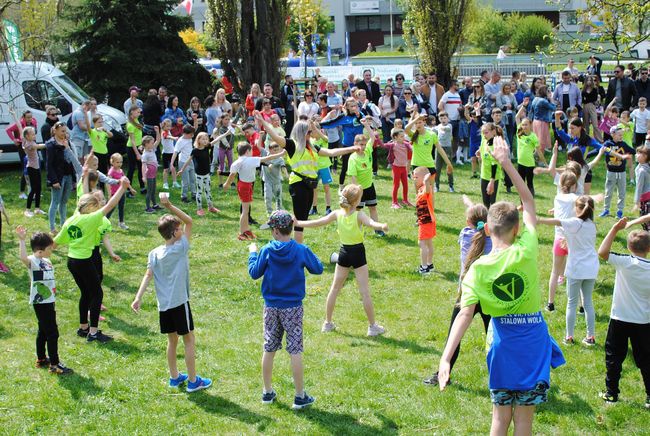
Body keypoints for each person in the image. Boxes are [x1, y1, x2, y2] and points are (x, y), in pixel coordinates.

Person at [438, 137, 565, 436]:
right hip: (533, 342)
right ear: (517, 228)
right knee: (524, 421)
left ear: (488, 229)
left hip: (502, 345)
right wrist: (506, 162)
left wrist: (446, 357)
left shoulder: (477, 269)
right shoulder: (527, 248)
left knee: (499, 418)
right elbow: (530, 201)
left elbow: (464, 316)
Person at [131, 195, 212, 393]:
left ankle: (174, 377)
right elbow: (190, 220)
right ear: (175, 232)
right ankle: (193, 381)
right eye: (179, 229)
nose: (183, 230)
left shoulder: (154, 253)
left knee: (172, 340)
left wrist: (138, 297)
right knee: (189, 340)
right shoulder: (180, 248)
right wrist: (169, 205)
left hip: (164, 305)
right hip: (179, 302)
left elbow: (148, 275)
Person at [247, 210, 324, 408]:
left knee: (269, 347)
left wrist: (252, 253)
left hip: (271, 307)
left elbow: (254, 273)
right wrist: (309, 252)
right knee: (295, 350)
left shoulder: (266, 250)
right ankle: (299, 396)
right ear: (290, 228)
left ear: (274, 231)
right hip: (293, 308)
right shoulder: (300, 250)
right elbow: (318, 268)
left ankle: (267, 392)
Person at [295, 184, 387, 337]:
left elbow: (317, 222)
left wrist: (299, 223)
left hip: (344, 252)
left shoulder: (337, 214)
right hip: (358, 254)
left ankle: (327, 323)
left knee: (335, 288)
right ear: (357, 202)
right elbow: (372, 223)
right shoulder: (359, 214)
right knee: (364, 292)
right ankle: (372, 327)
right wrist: (381, 226)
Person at [424, 196, 492, 386]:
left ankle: (442, 374)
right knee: (494, 338)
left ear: (467, 222)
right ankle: (504, 377)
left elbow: (476, 225)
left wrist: (470, 207)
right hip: (489, 296)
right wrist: (473, 207)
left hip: (466, 295)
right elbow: (482, 225)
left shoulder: (465, 235)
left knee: (454, 337)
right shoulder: (494, 240)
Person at [54, 176, 130, 343]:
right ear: (89, 207)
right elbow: (111, 205)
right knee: (97, 294)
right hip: (84, 262)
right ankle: (94, 333)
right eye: (96, 206)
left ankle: (83, 328)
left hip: (71, 261)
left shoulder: (71, 220)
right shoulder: (90, 219)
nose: (98, 209)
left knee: (86, 294)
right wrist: (122, 188)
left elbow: (55, 243)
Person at [597, 216, 650, 408]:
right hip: (644, 321)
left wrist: (614, 229)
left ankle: (611, 393)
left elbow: (602, 252)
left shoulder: (625, 262)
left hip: (619, 318)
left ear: (629, 247)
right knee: (646, 359)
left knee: (614, 356)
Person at [538, 195, 601, 345]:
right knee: (588, 303)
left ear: (578, 209)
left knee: (572, 303)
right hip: (591, 267)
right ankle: (590, 337)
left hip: (576, 269)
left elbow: (556, 221)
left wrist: (538, 219)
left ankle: (569, 337)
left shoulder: (574, 223)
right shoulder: (592, 225)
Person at [16, 226, 73, 375]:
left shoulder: (47, 260)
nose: (52, 249)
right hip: (40, 302)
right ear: (40, 250)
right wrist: (22, 240)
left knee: (43, 330)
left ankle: (41, 358)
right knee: (53, 333)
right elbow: (22, 258)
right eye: (50, 248)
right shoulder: (33, 261)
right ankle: (55, 364)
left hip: (49, 301)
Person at [223, 142, 285, 240]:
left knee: (245, 210)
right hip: (246, 186)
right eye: (251, 150)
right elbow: (267, 158)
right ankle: (242, 233)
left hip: (242, 185)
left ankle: (246, 230)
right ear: (248, 151)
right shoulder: (250, 160)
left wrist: (227, 184)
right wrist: (281, 154)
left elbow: (232, 175)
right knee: (245, 211)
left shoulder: (237, 161)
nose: (252, 152)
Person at [178, 132, 227, 216]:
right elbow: (188, 160)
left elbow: (217, 139)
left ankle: (210, 207)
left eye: (206, 139)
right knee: (199, 192)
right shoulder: (195, 151)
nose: (205, 141)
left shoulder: (207, 147)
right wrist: (182, 169)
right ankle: (199, 208)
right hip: (199, 175)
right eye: (203, 139)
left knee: (208, 190)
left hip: (207, 174)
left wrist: (227, 133)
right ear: (198, 140)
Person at [46, 122, 76, 234]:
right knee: (55, 201)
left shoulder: (66, 142)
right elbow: (49, 165)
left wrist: (73, 178)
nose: (65, 133)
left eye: (66, 131)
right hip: (58, 177)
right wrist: (54, 180)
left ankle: (63, 224)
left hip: (68, 175)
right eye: (62, 131)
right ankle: (52, 227)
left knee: (64, 201)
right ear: (56, 131)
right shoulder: (51, 144)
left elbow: (71, 160)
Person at [600, 125, 636, 218]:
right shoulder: (607, 144)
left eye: (622, 135)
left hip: (622, 173)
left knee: (621, 192)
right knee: (608, 192)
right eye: (619, 135)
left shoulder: (623, 144)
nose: (621, 136)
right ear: (612, 134)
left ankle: (619, 211)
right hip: (611, 172)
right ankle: (606, 210)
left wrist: (641, 152)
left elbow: (633, 151)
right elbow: (599, 150)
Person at [6, 109, 38, 199]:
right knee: (26, 170)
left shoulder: (33, 121)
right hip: (23, 147)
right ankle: (22, 192)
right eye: (28, 117)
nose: (30, 119)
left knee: (34, 170)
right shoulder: (20, 125)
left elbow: (35, 131)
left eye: (31, 117)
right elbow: (8, 129)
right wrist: (14, 140)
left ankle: (33, 191)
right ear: (24, 117)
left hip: (32, 146)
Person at [412, 167, 437, 274]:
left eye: (416, 177)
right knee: (428, 243)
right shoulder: (421, 188)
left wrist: (427, 181)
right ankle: (430, 264)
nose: (414, 179)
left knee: (422, 243)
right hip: (427, 220)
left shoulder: (427, 188)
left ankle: (424, 267)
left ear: (424, 177)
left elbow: (427, 191)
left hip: (426, 221)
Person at [106, 153, 136, 230]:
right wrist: (109, 195)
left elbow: (125, 180)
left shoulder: (121, 171)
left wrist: (131, 189)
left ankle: (121, 223)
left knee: (121, 208)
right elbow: (108, 183)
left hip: (121, 193)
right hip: (114, 194)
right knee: (111, 208)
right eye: (117, 162)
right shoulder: (111, 172)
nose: (120, 164)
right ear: (112, 162)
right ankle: (105, 223)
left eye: (121, 162)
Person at [478, 123, 504, 208]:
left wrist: (492, 182)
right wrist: (479, 151)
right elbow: (482, 145)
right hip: (484, 175)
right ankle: (486, 220)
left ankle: (493, 220)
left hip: (494, 177)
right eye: (483, 133)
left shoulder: (495, 146)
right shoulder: (484, 139)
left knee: (492, 204)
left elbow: (494, 165)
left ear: (493, 132)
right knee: (485, 203)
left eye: (486, 132)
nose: (484, 135)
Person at [385, 128, 413, 208]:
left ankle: (405, 200)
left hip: (403, 167)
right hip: (396, 167)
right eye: (401, 136)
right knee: (396, 185)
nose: (403, 138)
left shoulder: (405, 144)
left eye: (403, 136)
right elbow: (383, 145)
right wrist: (376, 139)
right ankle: (394, 202)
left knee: (405, 185)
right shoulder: (393, 145)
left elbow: (411, 147)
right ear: (395, 137)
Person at [516, 118, 544, 196]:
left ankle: (531, 199)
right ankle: (522, 202)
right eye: (523, 125)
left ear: (530, 125)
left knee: (529, 183)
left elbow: (539, 151)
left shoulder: (533, 137)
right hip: (520, 163)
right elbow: (517, 117)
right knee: (521, 183)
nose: (524, 126)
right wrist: (524, 106)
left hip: (530, 165)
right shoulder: (519, 133)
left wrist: (545, 163)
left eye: (526, 124)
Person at [170, 124, 197, 203]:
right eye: (191, 134)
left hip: (190, 161)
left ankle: (194, 194)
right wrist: (171, 164)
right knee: (186, 181)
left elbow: (195, 127)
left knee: (193, 179)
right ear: (185, 133)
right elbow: (175, 152)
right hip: (183, 162)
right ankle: (184, 196)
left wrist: (195, 120)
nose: (192, 136)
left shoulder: (190, 137)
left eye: (193, 134)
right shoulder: (180, 141)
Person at [140, 129, 162, 213]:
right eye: (152, 143)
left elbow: (158, 140)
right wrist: (143, 176)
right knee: (149, 191)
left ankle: (155, 205)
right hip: (149, 175)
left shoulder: (152, 149)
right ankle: (147, 207)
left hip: (153, 174)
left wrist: (157, 132)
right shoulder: (145, 155)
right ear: (146, 144)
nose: (153, 144)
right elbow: (143, 166)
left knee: (153, 190)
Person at [125, 106, 145, 195]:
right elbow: (132, 141)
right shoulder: (130, 125)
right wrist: (137, 153)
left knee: (141, 167)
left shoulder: (136, 121)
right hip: (132, 148)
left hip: (139, 147)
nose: (139, 113)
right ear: (132, 112)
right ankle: (128, 189)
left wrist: (141, 145)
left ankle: (142, 187)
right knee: (131, 169)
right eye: (137, 112)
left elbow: (139, 137)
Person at [433, 112, 455, 192]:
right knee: (437, 168)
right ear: (439, 119)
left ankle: (451, 186)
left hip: (447, 149)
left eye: (445, 118)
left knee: (449, 167)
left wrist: (440, 128)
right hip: (439, 148)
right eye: (441, 118)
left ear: (448, 119)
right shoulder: (438, 126)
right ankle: (436, 186)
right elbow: (431, 131)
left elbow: (446, 129)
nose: (443, 120)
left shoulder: (449, 125)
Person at [530, 85, 556, 152]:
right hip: (542, 122)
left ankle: (536, 155)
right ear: (545, 92)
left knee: (537, 140)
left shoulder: (535, 99)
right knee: (542, 141)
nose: (550, 93)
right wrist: (551, 99)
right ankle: (539, 159)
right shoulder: (543, 101)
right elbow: (554, 108)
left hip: (535, 121)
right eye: (548, 91)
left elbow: (531, 110)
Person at [582, 76, 603, 142]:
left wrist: (587, 98)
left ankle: (599, 139)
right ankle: (586, 138)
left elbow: (594, 99)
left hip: (592, 106)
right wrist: (587, 99)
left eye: (590, 80)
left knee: (595, 124)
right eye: (587, 80)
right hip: (585, 106)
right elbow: (583, 100)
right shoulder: (583, 90)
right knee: (586, 124)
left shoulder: (594, 89)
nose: (589, 82)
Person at [634, 146, 650, 230]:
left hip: (646, 199)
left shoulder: (642, 171)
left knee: (645, 219)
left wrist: (637, 202)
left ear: (645, 156)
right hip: (647, 197)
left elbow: (639, 187)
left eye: (638, 153)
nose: (636, 155)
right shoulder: (640, 167)